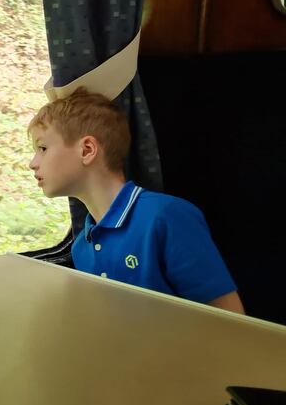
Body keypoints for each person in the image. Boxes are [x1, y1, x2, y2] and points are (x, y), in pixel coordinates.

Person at [27, 87, 244, 313]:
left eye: (42, 148)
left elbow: (232, 320)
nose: (32, 163)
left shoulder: (166, 217)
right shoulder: (82, 247)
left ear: (87, 150)